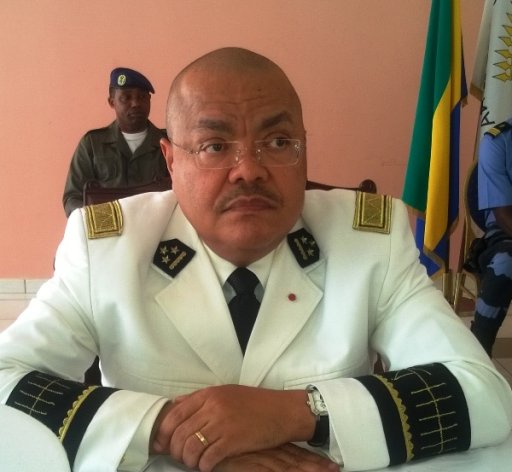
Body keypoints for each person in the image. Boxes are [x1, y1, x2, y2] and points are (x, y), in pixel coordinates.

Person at [1, 47, 511, 472]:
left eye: (278, 141)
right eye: (214, 145)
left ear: (304, 150)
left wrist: (294, 414)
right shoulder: (105, 249)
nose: (249, 170)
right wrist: (175, 431)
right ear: (170, 161)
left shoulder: (369, 241)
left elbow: (484, 393)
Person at [62, 67, 170, 217]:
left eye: (142, 97)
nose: (135, 103)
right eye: (126, 98)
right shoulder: (92, 144)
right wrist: (103, 219)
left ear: (149, 100)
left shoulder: (169, 143)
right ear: (112, 102)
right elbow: (72, 198)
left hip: (159, 227)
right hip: (106, 228)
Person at [470, 119, 512, 357]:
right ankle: (479, 349)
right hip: (505, 230)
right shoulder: (497, 141)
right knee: (506, 261)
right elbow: (504, 215)